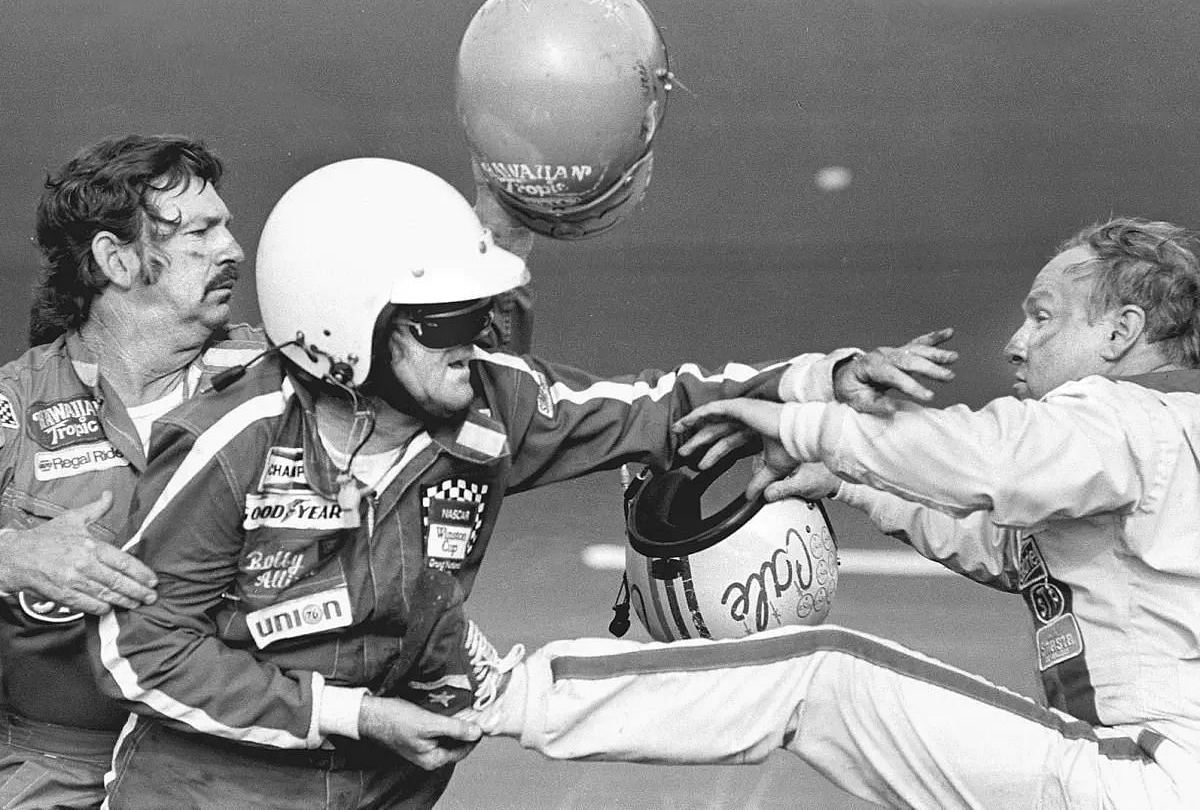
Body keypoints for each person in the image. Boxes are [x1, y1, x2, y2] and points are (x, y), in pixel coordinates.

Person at [87, 156, 951, 810]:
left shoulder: (494, 406)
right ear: (342, 329)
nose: (476, 339)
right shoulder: (231, 443)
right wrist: (352, 715)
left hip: (385, 785)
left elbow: (654, 407)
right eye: (448, 320)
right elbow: (143, 652)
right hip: (210, 792)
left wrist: (817, 379)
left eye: (482, 312)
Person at [433, 217, 1198, 810]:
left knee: (817, 675)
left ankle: (500, 693)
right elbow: (1007, 548)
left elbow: (992, 463)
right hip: (1128, 769)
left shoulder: (1129, 421)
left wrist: (809, 424)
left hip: (1143, 780)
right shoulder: (1162, 443)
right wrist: (843, 479)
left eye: (1043, 318)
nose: (1016, 344)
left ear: (1122, 332)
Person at [0, 134, 262, 808]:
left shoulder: (276, 383)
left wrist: (503, 237)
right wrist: (12, 555)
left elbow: (449, 394)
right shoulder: (15, 406)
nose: (234, 250)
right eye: (202, 232)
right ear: (116, 259)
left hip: (234, 764)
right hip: (54, 766)